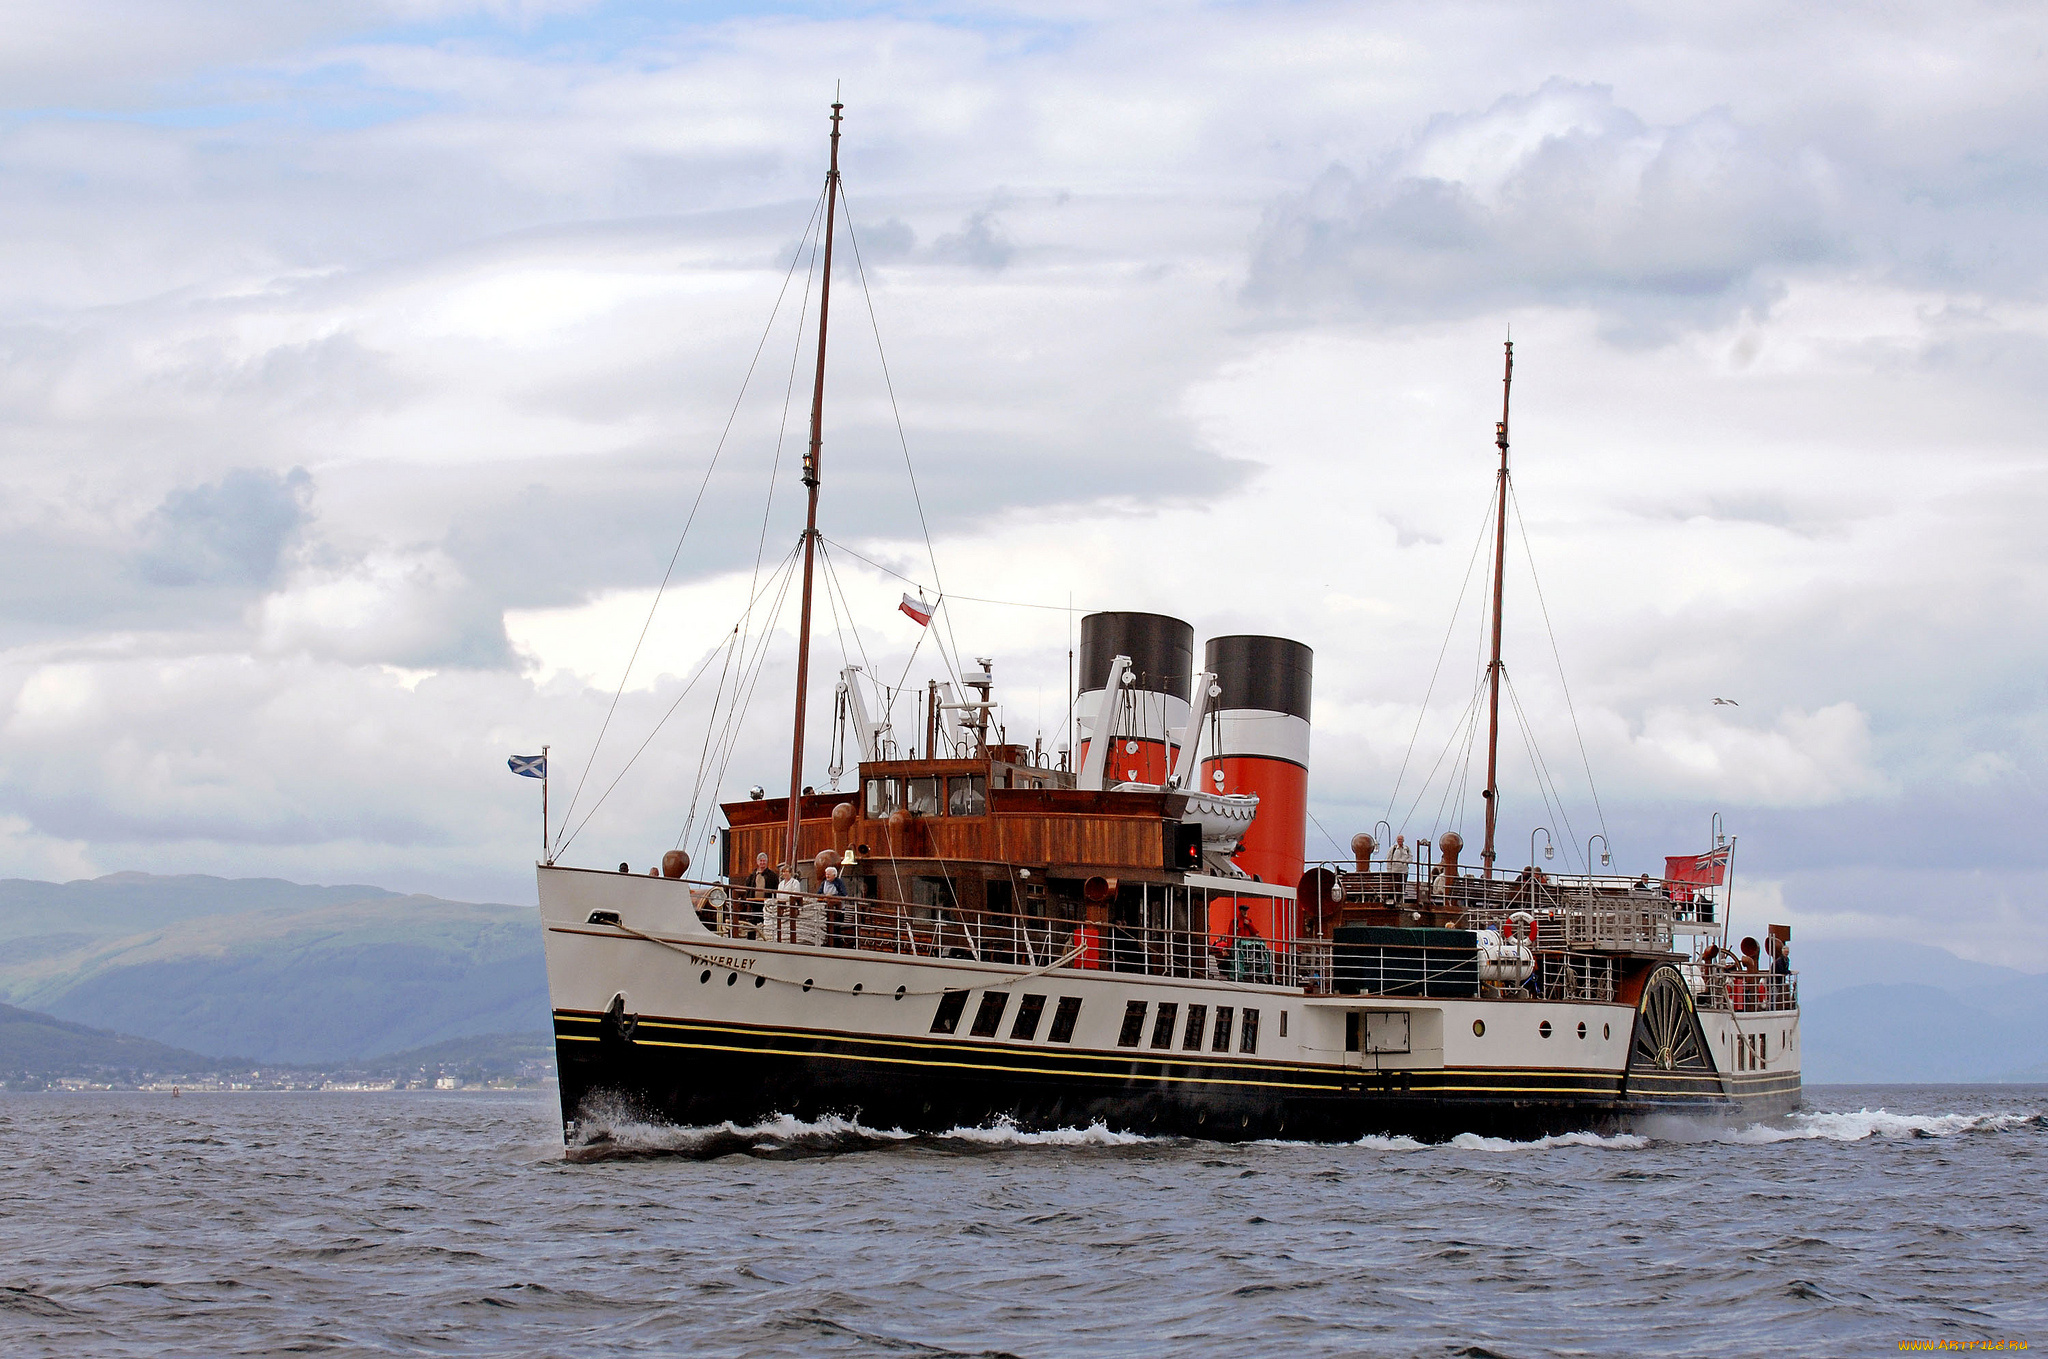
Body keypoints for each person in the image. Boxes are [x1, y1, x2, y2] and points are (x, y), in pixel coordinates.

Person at [743, 853, 777, 937]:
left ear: (766, 862)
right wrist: (747, 899)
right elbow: (748, 887)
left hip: (766, 903)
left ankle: (766, 937)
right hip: (753, 903)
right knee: (752, 922)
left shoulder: (772, 876)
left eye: (764, 861)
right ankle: (751, 938)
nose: (762, 863)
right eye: (761, 861)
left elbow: (776, 888)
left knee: (766, 921)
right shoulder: (753, 875)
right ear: (757, 862)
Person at [820, 865, 849, 948]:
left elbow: (844, 895)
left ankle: (836, 945)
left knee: (836, 928)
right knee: (826, 927)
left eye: (829, 874)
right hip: (826, 911)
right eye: (826, 874)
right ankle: (827, 943)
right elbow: (818, 893)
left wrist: (832, 896)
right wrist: (824, 896)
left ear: (834, 875)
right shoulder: (824, 883)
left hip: (838, 911)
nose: (827, 876)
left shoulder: (838, 883)